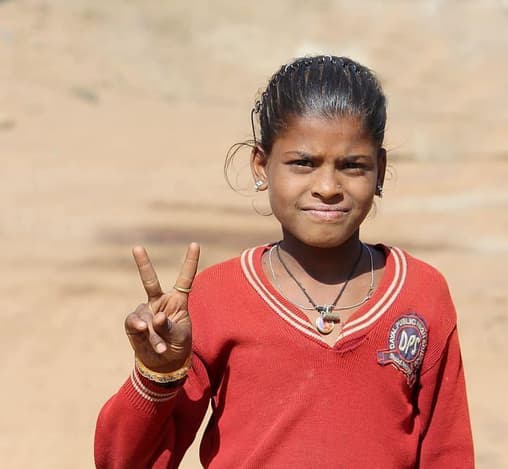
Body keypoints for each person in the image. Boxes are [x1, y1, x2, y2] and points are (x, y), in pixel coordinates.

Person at [94, 55, 474, 468]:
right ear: (262, 166)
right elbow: (124, 462)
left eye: (352, 166)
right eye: (303, 163)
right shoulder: (215, 299)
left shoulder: (421, 293)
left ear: (379, 170)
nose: (328, 187)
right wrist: (156, 375)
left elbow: (447, 454)